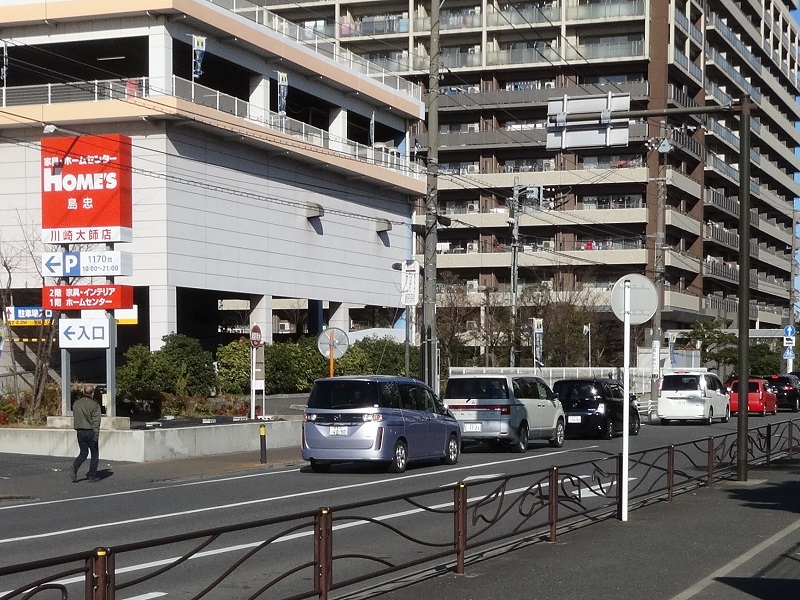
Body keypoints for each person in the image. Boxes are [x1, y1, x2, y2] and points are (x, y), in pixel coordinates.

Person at [71, 384, 101, 482]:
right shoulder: (94, 405)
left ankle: (75, 466)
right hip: (90, 431)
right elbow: (96, 422)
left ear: (83, 392)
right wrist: (96, 435)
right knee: (94, 454)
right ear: (92, 393)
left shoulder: (76, 403)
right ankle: (91, 475)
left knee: (83, 452)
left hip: (80, 430)